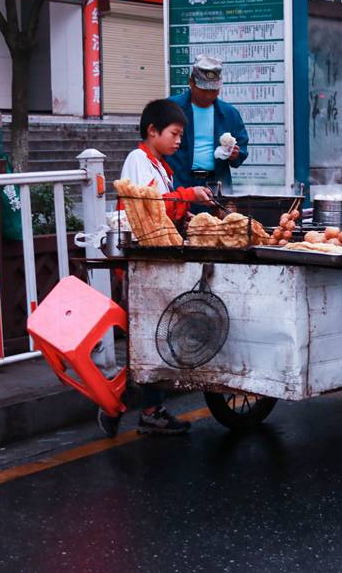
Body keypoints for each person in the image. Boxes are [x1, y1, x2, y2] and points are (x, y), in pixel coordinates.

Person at [100, 99, 212, 437]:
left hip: (156, 259)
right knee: (152, 337)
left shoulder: (159, 165)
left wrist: (187, 213)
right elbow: (147, 206)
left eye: (181, 135)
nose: (179, 141)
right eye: (174, 134)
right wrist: (188, 196)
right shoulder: (138, 161)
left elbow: (162, 211)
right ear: (152, 131)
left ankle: (145, 406)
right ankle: (127, 403)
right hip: (141, 264)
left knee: (156, 336)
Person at [166, 55, 249, 193]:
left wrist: (236, 154)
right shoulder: (171, 108)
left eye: (214, 90)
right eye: (204, 90)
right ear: (191, 82)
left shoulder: (229, 113)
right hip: (180, 185)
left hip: (217, 186)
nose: (209, 95)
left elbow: (242, 148)